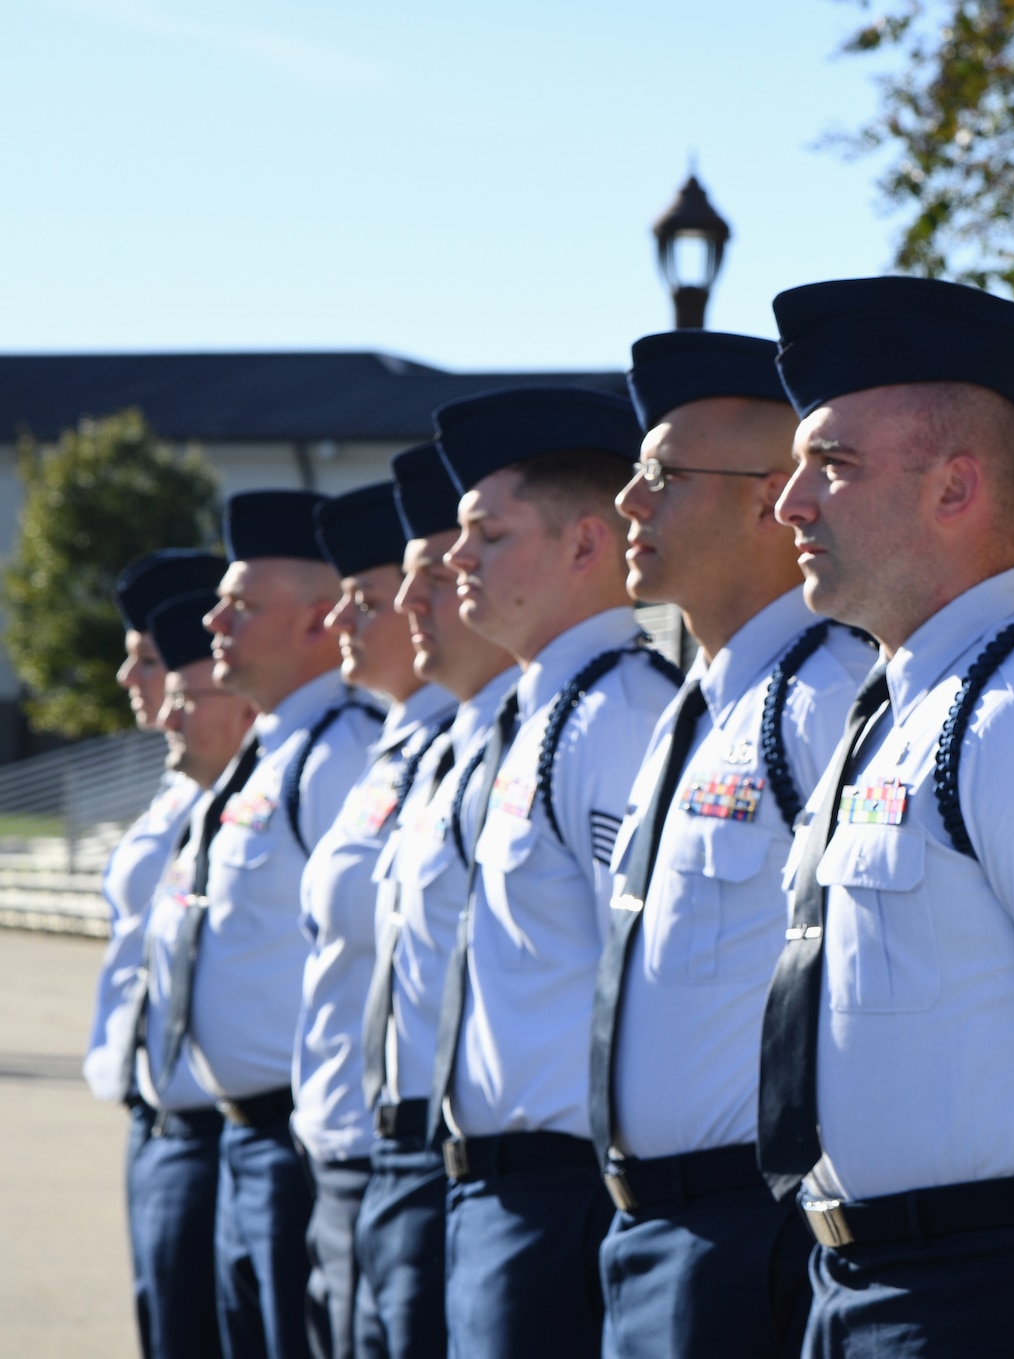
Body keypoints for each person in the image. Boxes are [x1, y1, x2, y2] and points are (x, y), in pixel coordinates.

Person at [758, 275, 1014, 1357]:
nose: (790, 505)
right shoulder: (897, 699)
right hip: (856, 1280)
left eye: (828, 466)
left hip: (983, 1292)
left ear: (955, 486)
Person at [591, 330, 876, 1358]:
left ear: (769, 497)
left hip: (745, 1230)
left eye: (660, 476)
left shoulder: (825, 696)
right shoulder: (700, 704)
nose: (630, 501)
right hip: (647, 1227)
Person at [427, 386, 681, 1357]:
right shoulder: (537, 710)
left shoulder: (617, 714)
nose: (457, 559)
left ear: (585, 545)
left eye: (487, 534)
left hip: (560, 1188)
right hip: (493, 1189)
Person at [156, 490, 384, 1359]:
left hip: (296, 1141)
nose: (215, 619)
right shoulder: (274, 750)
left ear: (319, 622)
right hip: (245, 1141)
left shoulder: (340, 751)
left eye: (243, 605)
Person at [353, 443, 519, 1359]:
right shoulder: (452, 747)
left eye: (462, 556)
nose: (429, 596)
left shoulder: (598, 722)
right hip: (407, 1151)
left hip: (500, 1167)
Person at [293, 484, 458, 1359]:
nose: (349, 619)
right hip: (344, 1146)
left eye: (370, 596)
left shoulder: (455, 743)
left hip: (410, 1152)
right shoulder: (387, 751)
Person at [128, 587, 259, 1359]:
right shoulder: (198, 804)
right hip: (164, 1111)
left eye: (185, 694)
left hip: (225, 1127)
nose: (167, 716)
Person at [89, 549, 227, 1111]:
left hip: (201, 1100)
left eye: (147, 660)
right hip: (150, 1089)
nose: (127, 678)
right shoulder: (176, 788)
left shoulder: (227, 787)